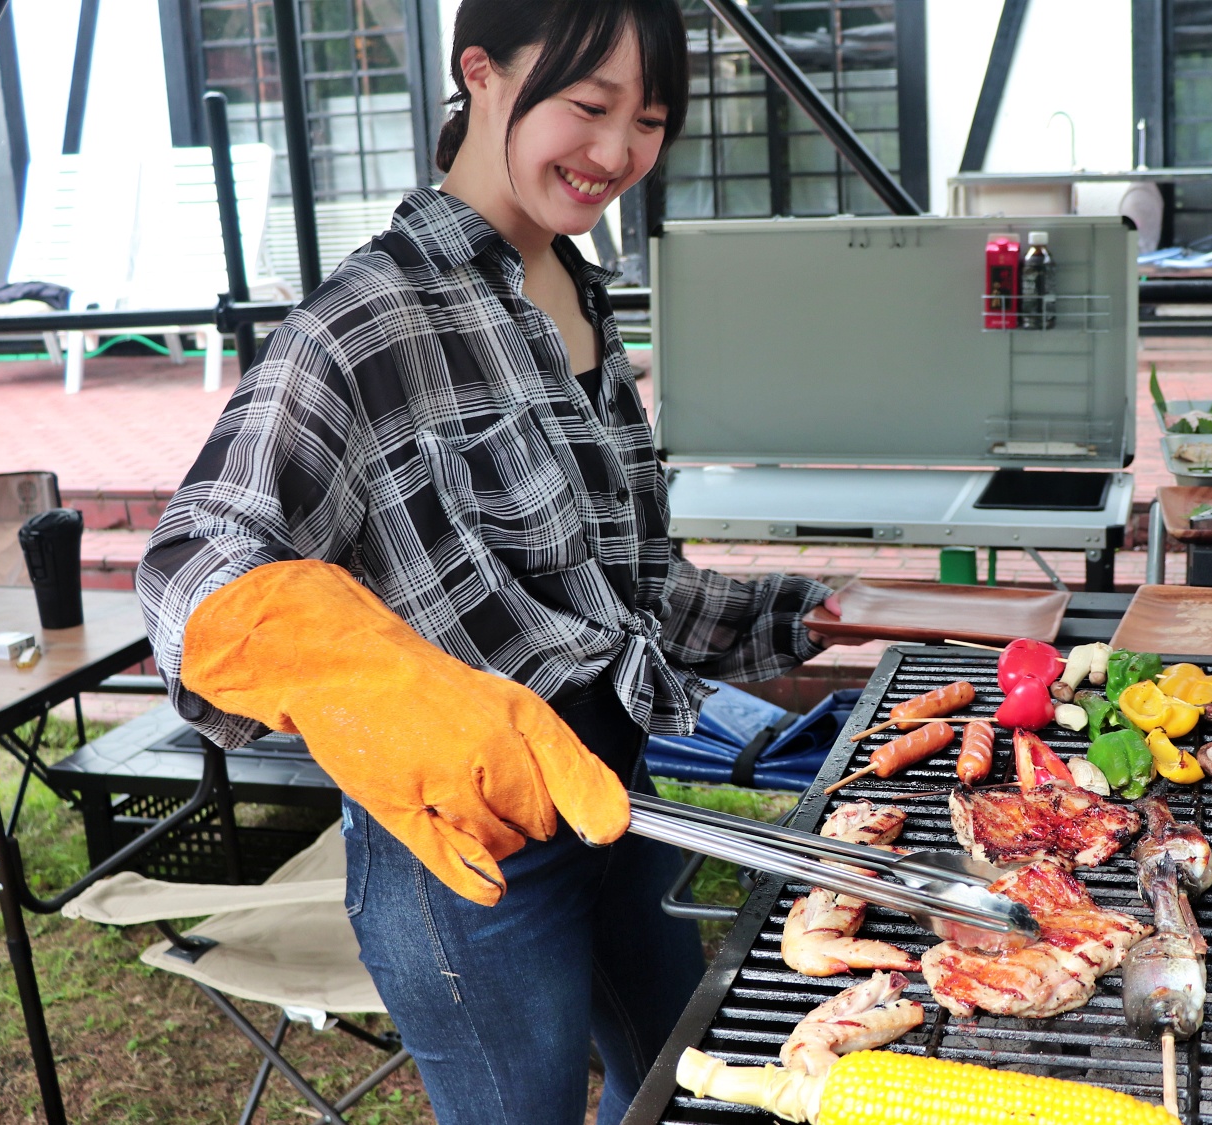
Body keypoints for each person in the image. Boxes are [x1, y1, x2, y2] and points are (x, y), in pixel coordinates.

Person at [136, 4, 837, 1122]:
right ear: (482, 72)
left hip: (613, 788)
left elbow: (628, 595)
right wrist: (370, 683)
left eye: (648, 120)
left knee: (698, 1091)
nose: (617, 155)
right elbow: (192, 563)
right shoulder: (365, 317)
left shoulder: (569, 284)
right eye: (589, 107)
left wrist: (826, 616)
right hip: (465, 854)